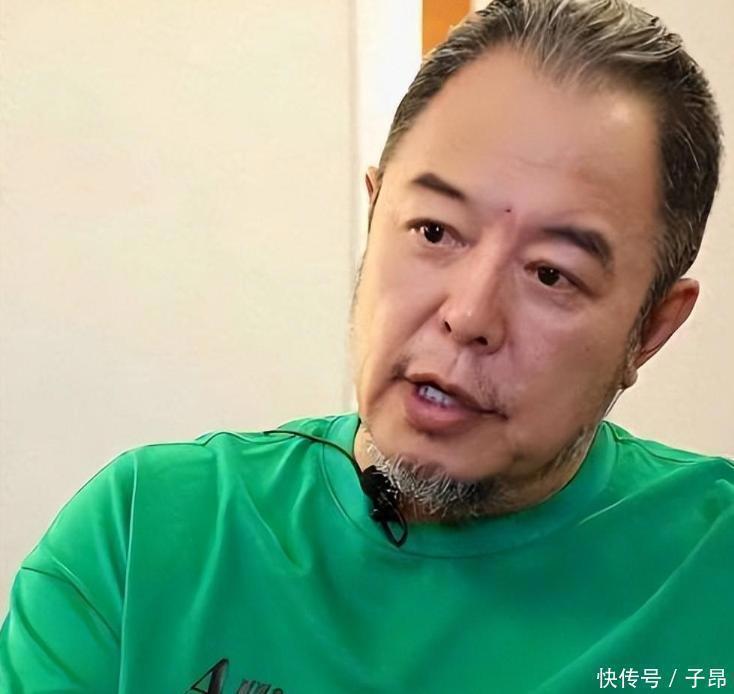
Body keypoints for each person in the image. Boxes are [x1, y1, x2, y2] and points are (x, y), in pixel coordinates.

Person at [1, 0, 730, 692]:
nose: (468, 315)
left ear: (651, 330)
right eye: (434, 231)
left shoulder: (712, 571)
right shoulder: (145, 535)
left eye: (551, 274)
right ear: (375, 213)